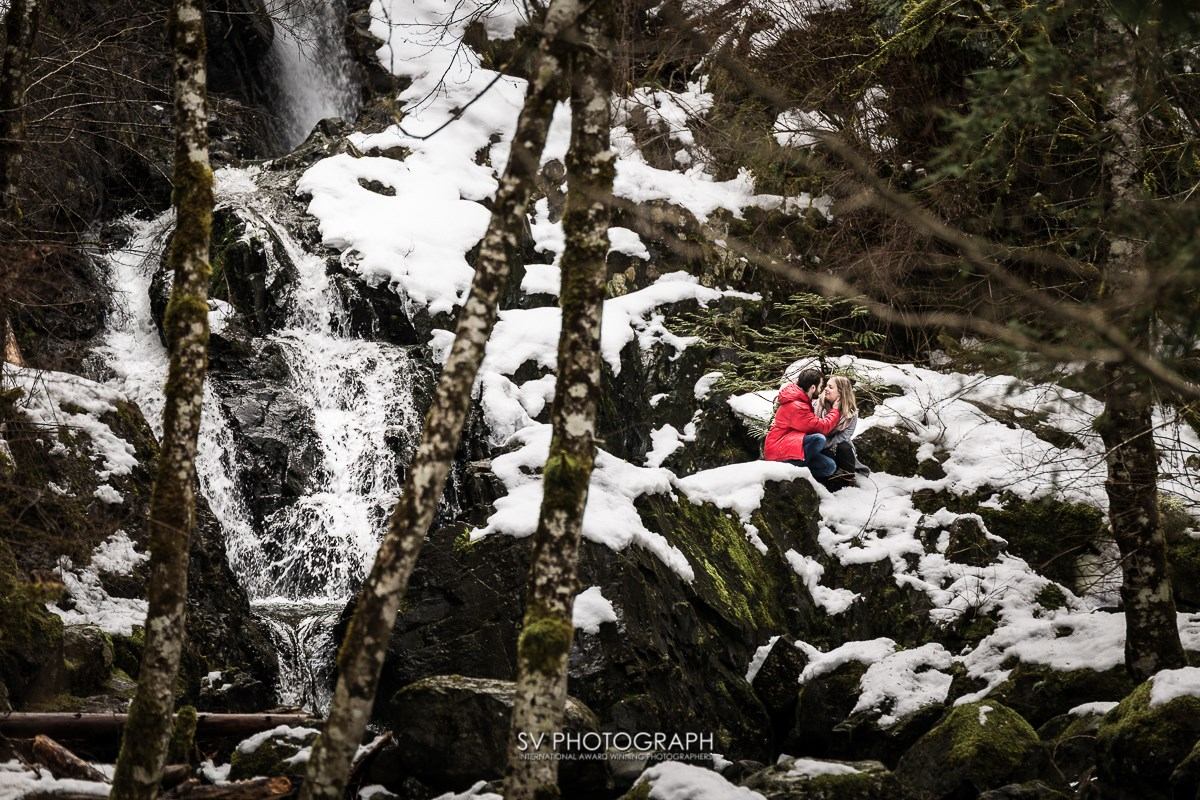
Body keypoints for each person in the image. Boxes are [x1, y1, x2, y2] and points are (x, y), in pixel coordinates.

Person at [762, 368, 842, 479]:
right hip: (777, 452)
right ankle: (795, 472)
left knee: (829, 466)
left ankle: (800, 472)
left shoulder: (800, 400)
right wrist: (835, 410)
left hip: (791, 445)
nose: (822, 390)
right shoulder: (797, 406)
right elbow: (823, 427)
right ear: (813, 388)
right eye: (821, 386)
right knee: (819, 439)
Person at [813, 374, 869, 484]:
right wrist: (823, 444)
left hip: (836, 442)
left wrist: (830, 444)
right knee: (826, 454)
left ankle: (847, 480)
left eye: (830, 387)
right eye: (826, 386)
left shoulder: (851, 412)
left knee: (845, 447)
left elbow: (846, 435)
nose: (826, 389)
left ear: (841, 392)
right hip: (818, 441)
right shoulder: (817, 404)